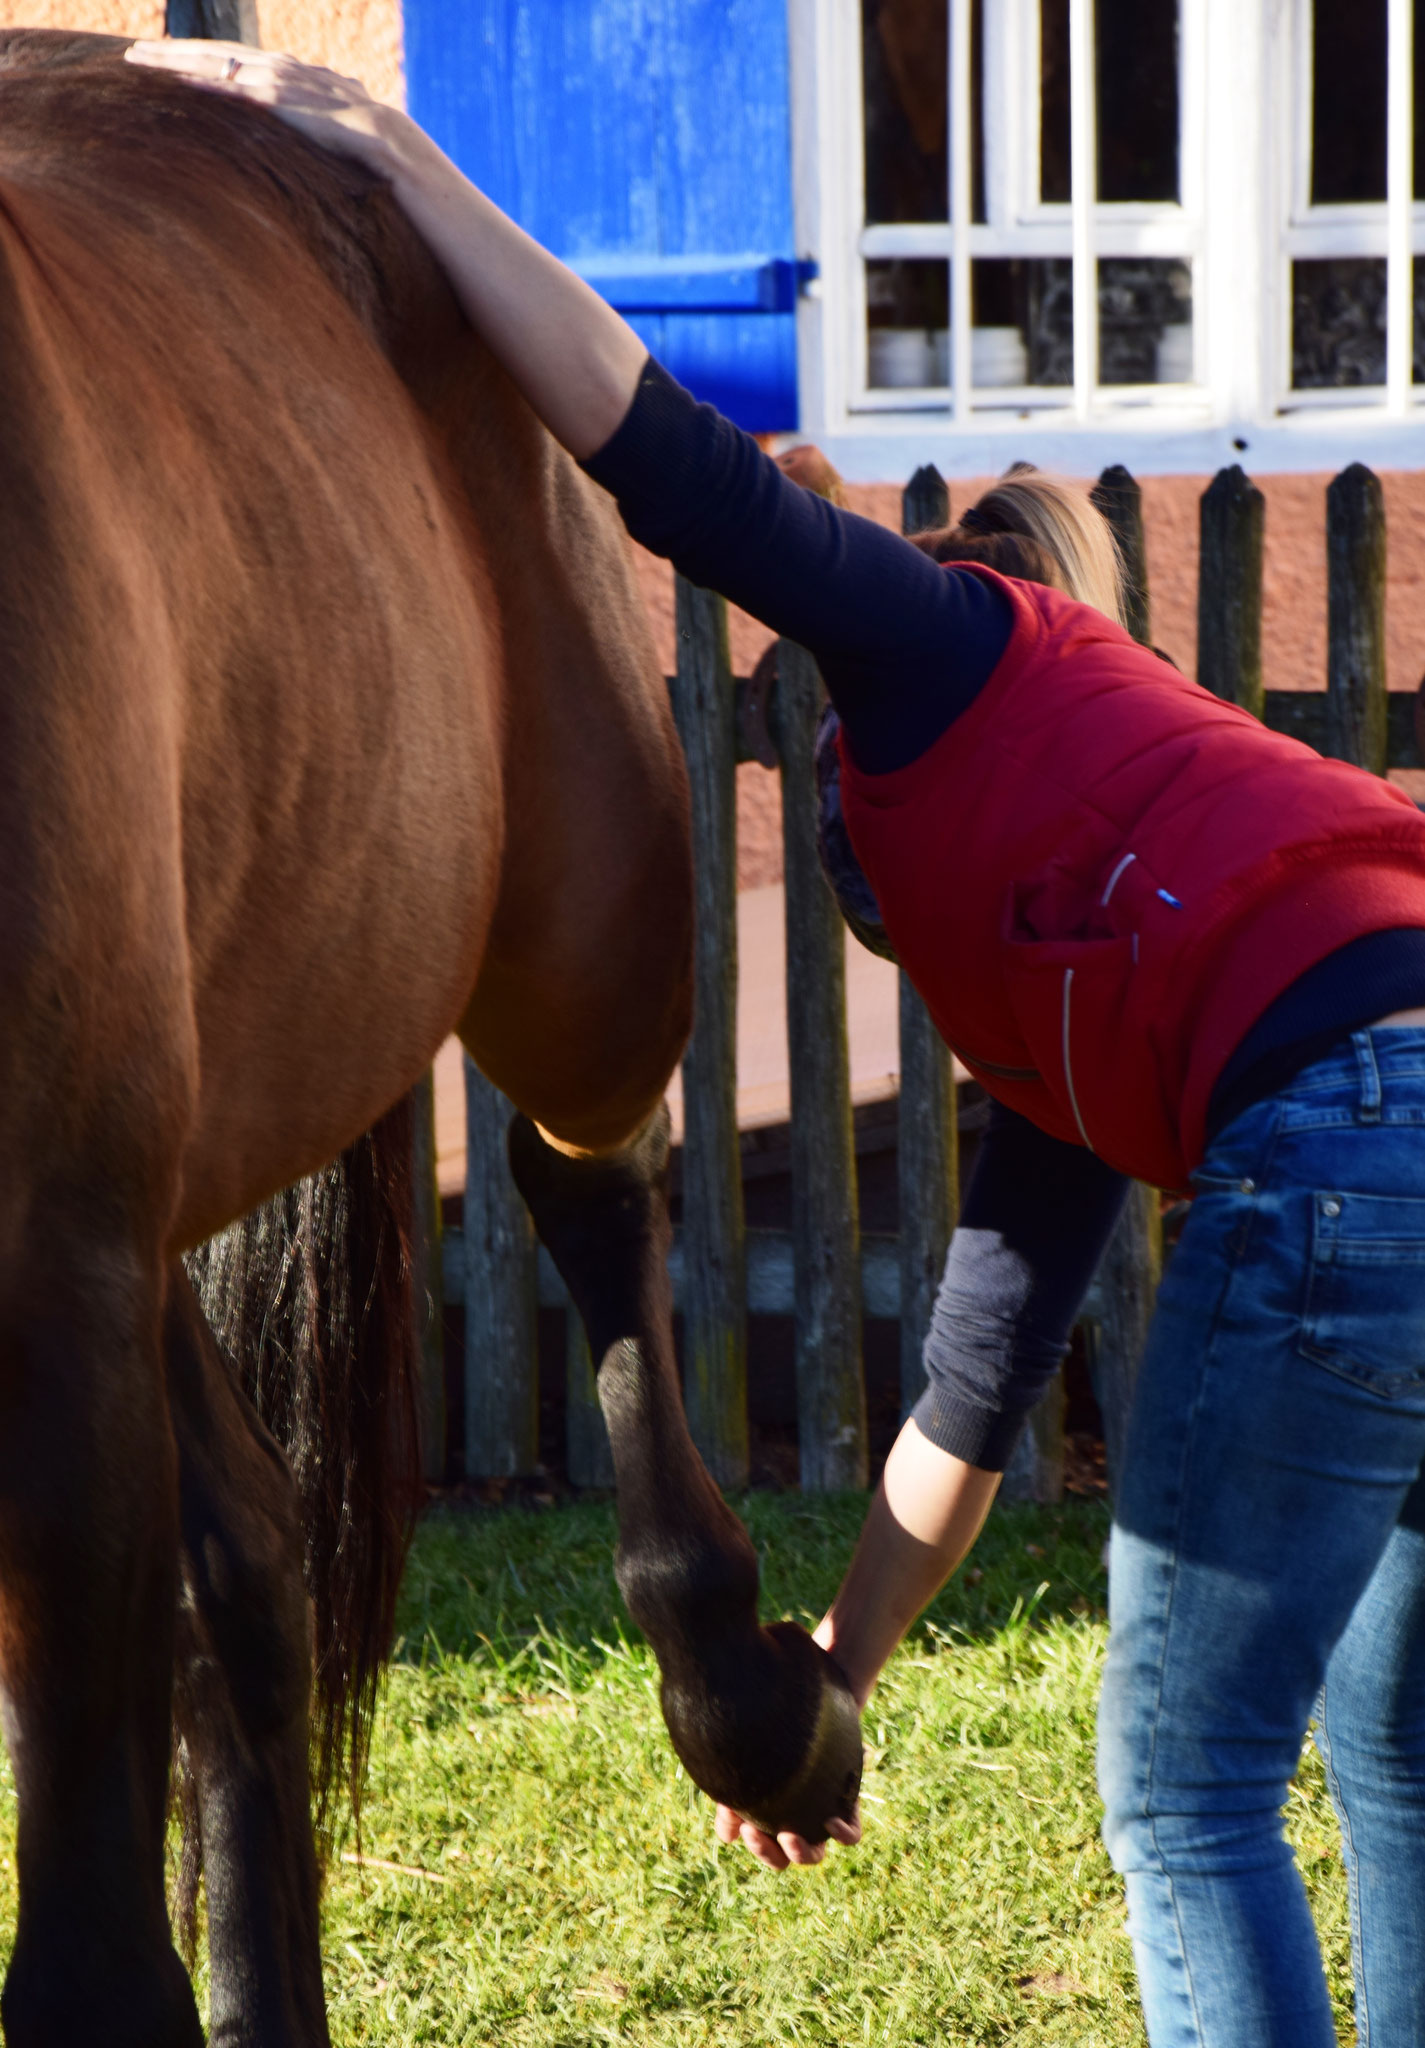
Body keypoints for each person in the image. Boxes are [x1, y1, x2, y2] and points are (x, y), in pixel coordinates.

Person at [127, 43, 1425, 2047]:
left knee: (1182, 1794)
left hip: (1336, 1132)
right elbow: (968, 1402)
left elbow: (658, 452)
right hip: (1372, 1101)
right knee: (1393, 1752)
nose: (827, 792)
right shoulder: (1080, 993)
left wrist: (398, 155)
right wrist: (827, 1673)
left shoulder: (946, 650)